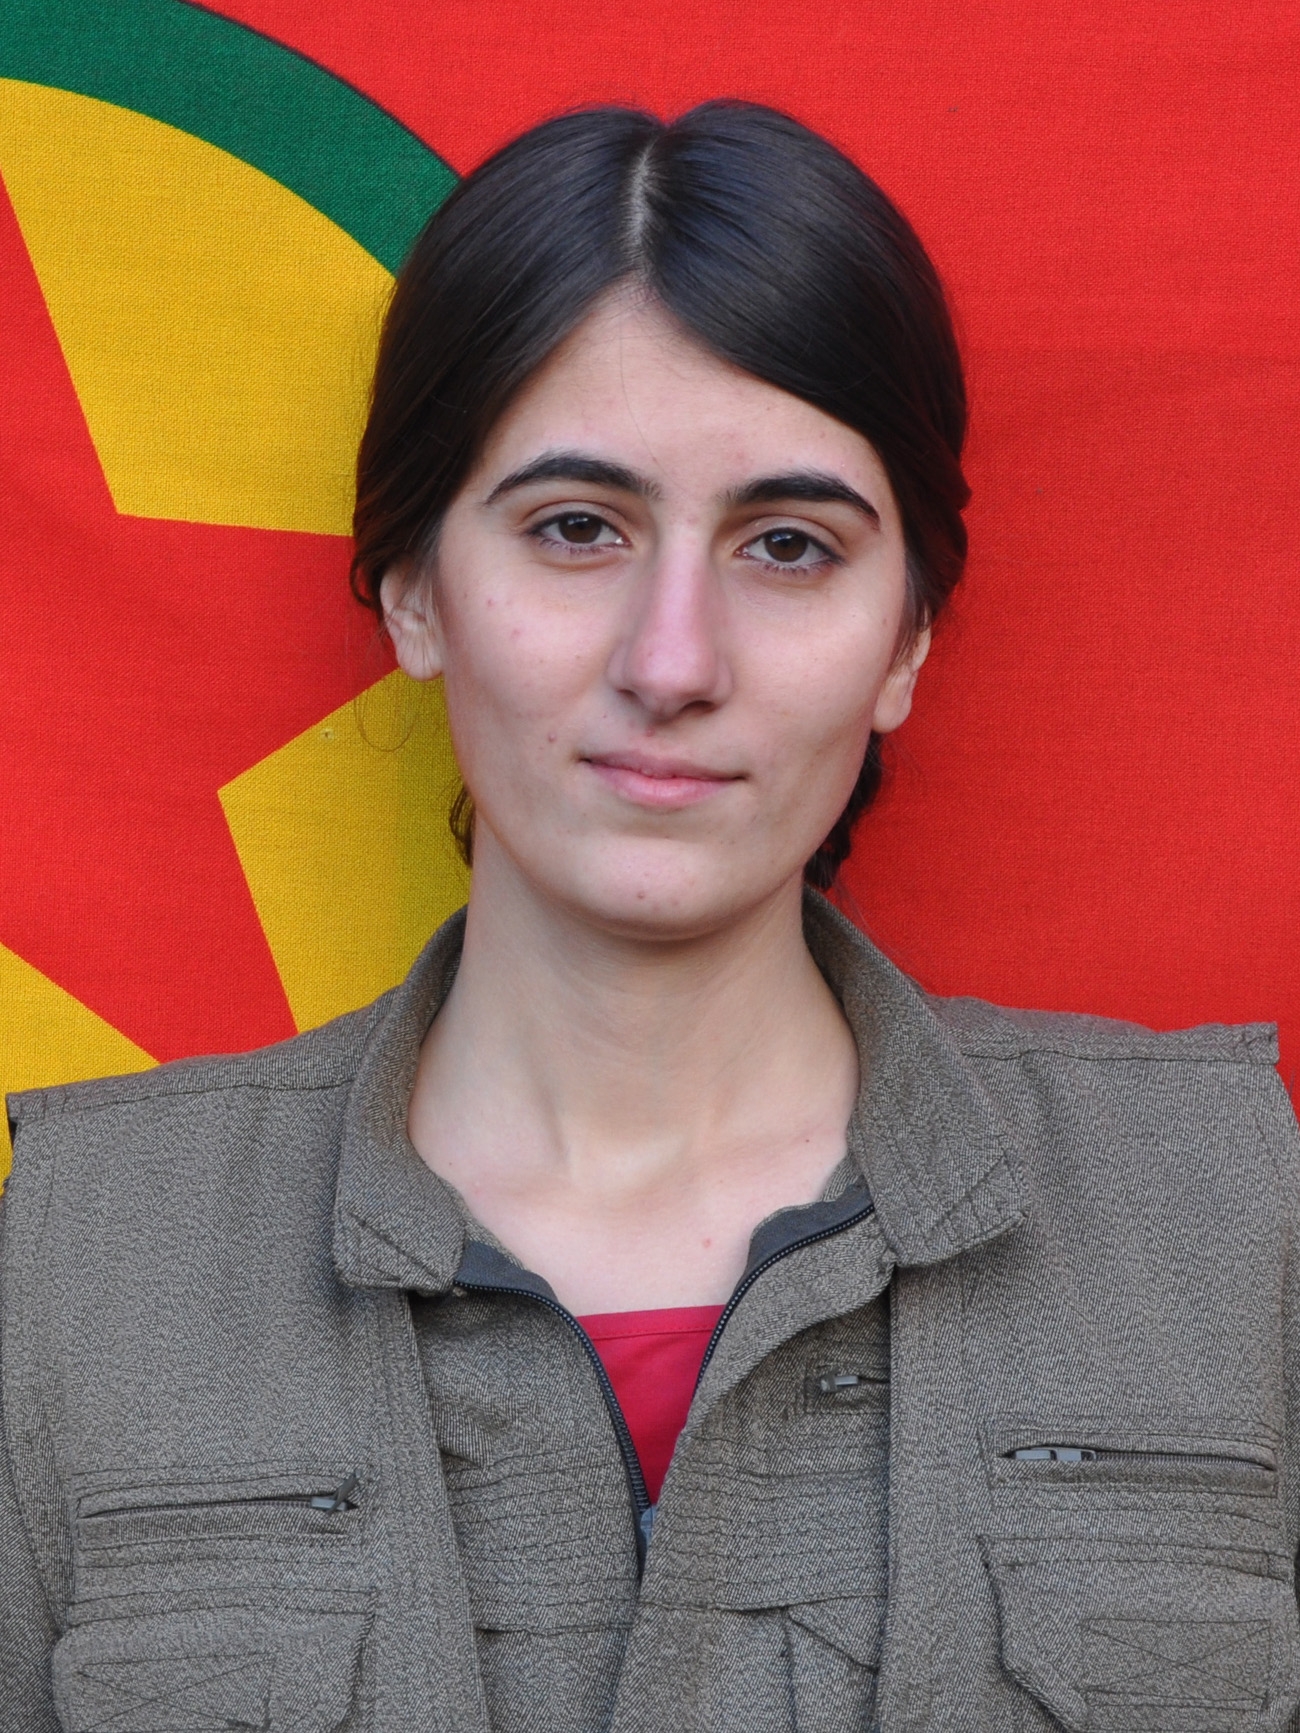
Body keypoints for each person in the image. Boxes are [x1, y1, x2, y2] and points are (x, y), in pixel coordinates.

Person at [2, 100, 1298, 1733]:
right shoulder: (78, 1266)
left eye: (788, 545)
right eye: (576, 528)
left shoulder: (1229, 1218)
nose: (672, 660)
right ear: (413, 588)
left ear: (908, 638)